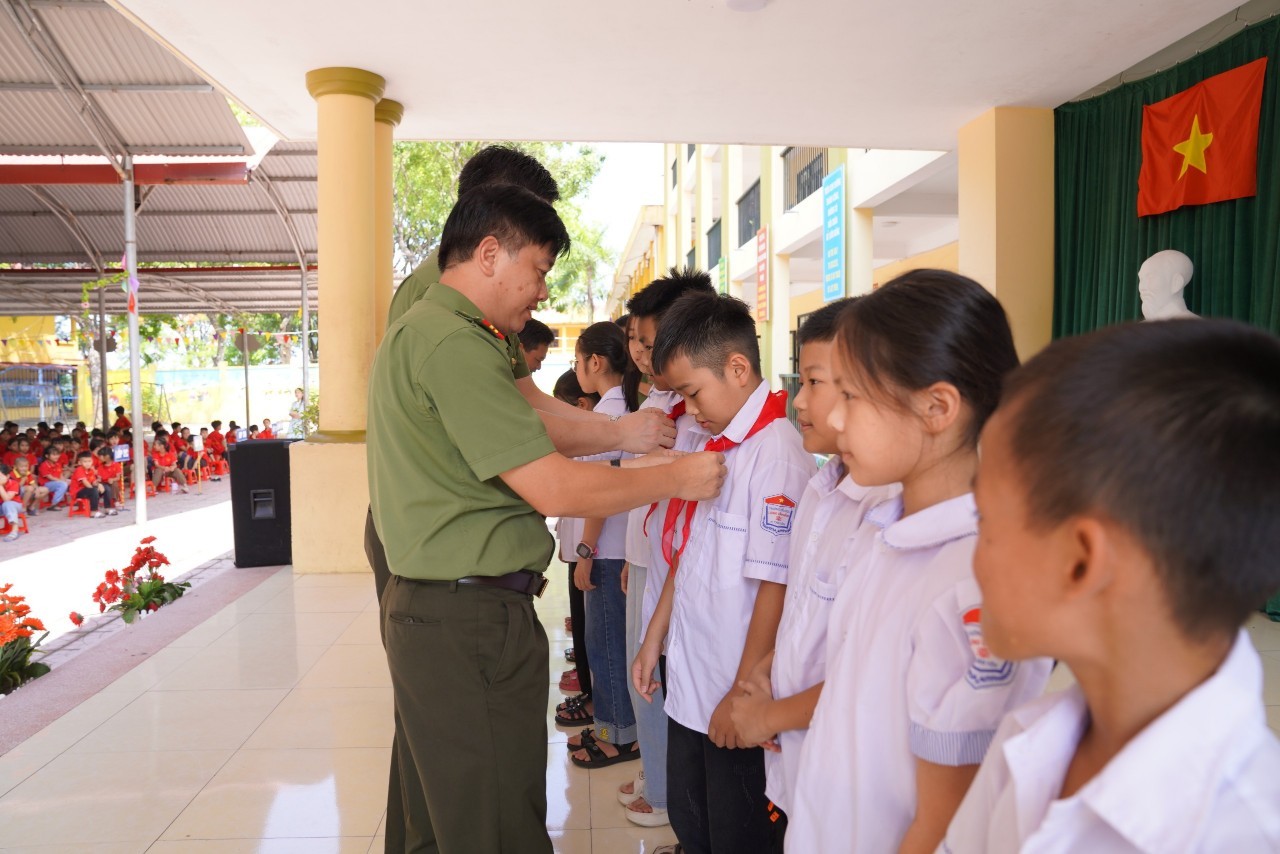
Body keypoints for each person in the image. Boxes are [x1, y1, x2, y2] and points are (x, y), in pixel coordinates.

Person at [367, 183, 727, 854]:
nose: (540, 292)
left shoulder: (440, 330)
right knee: (493, 825)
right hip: (464, 619)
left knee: (438, 819)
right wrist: (677, 475)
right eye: (537, 270)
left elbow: (528, 421)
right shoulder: (454, 344)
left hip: (442, 608)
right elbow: (552, 486)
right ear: (490, 252)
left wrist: (621, 437)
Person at [943, 318, 1280, 852]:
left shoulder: (1247, 834)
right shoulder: (1031, 740)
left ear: (1079, 562)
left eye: (984, 521)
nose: (971, 557)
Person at [785, 271, 1053, 854]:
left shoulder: (973, 580)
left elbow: (946, 823)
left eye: (851, 396)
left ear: (937, 407)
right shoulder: (884, 533)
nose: (833, 418)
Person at [633, 290, 816, 854]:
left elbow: (775, 587)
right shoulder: (721, 445)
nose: (689, 409)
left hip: (734, 702)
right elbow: (689, 554)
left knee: (736, 833)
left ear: (738, 369)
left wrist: (741, 695)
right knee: (694, 823)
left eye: (692, 392)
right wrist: (654, 637)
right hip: (693, 684)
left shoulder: (775, 454)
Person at [729, 298, 899, 848]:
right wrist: (771, 670)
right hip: (798, 764)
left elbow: (875, 673)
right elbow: (809, 611)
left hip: (850, 782)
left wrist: (770, 713)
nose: (799, 401)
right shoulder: (821, 494)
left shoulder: (889, 515)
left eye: (821, 384)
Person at [610, 268, 718, 827]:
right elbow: (641, 473)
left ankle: (670, 793)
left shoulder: (703, 404)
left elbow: (679, 478)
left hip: (679, 570)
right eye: (638, 342)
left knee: (671, 686)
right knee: (651, 676)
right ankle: (665, 784)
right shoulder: (666, 396)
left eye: (652, 342)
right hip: (657, 561)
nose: (644, 354)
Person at [568, 322, 642, 770]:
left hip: (608, 547)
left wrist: (585, 550)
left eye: (578, 360)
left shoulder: (608, 418)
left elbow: (602, 489)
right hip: (616, 546)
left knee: (608, 644)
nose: (578, 368)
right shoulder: (621, 410)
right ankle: (612, 726)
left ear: (595, 363)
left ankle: (619, 735)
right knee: (607, 641)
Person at [69, 450, 117, 518]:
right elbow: (85, 482)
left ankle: (107, 508)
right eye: (85, 462)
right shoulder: (79, 469)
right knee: (93, 490)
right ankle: (93, 512)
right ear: (80, 462)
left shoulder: (91, 470)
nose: (88, 463)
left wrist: (99, 484)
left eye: (89, 461)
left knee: (106, 487)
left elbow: (93, 482)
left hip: (87, 490)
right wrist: (96, 489)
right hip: (77, 492)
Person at [0, 464, 23, 542]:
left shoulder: (13, 483)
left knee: (7, 504)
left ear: (7, 476)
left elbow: (7, 499)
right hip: (1, 508)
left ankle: (14, 531)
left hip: (15, 506)